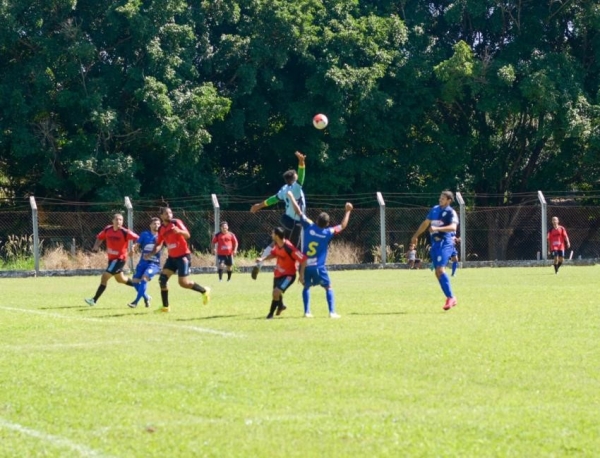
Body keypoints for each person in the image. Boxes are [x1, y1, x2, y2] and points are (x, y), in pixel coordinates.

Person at [288, 191, 352, 318]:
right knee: (328, 287)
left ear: (316, 220)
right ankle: (332, 312)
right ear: (327, 224)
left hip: (305, 266)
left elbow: (298, 211)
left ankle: (307, 312)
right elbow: (342, 226)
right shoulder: (328, 232)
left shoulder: (309, 226)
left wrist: (290, 197)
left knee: (306, 287)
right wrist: (348, 211)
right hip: (319, 267)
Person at [250, 151, 306, 279]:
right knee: (291, 250)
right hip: (295, 223)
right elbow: (302, 175)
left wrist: (259, 206)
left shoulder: (284, 189)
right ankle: (289, 273)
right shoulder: (296, 188)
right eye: (296, 175)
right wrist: (301, 162)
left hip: (286, 220)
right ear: (294, 178)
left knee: (276, 242)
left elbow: (273, 199)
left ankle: (261, 260)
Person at [148, 207, 210, 312]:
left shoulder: (176, 222)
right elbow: (159, 243)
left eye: (170, 213)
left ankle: (204, 291)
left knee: (183, 283)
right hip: (172, 258)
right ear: (161, 216)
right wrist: (152, 253)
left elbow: (187, 235)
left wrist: (179, 231)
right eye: (166, 213)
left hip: (183, 256)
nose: (169, 215)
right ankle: (165, 307)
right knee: (162, 280)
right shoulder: (161, 229)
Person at [411, 190, 459, 311]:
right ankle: (450, 297)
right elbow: (426, 223)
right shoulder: (435, 209)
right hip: (435, 245)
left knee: (440, 270)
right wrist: (415, 236)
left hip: (445, 243)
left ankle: (451, 297)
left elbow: (453, 227)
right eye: (440, 197)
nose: (440, 199)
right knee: (437, 273)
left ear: (449, 200)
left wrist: (437, 228)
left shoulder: (450, 212)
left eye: (443, 198)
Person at [85, 213, 139, 306]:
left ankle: (93, 300)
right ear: (113, 221)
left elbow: (139, 238)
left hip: (119, 260)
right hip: (111, 260)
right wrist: (96, 246)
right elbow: (99, 237)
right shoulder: (108, 229)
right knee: (121, 280)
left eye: (121, 220)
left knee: (104, 277)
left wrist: (134, 247)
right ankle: (142, 289)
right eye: (117, 219)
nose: (119, 221)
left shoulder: (125, 232)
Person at [256, 226, 307, 319]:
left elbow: (303, 260)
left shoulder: (289, 247)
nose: (271, 234)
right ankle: (280, 306)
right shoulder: (277, 244)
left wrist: (301, 275)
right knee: (276, 293)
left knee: (276, 292)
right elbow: (274, 254)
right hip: (278, 273)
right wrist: (262, 258)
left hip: (289, 275)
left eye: (272, 233)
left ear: (277, 235)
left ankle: (270, 315)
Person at [127, 217, 162, 308]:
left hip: (154, 264)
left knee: (144, 279)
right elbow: (137, 244)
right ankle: (146, 297)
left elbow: (158, 248)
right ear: (150, 225)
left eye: (158, 224)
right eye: (155, 224)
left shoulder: (161, 236)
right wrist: (133, 249)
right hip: (143, 263)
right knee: (134, 282)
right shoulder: (144, 234)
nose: (157, 225)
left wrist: (150, 255)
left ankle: (135, 302)